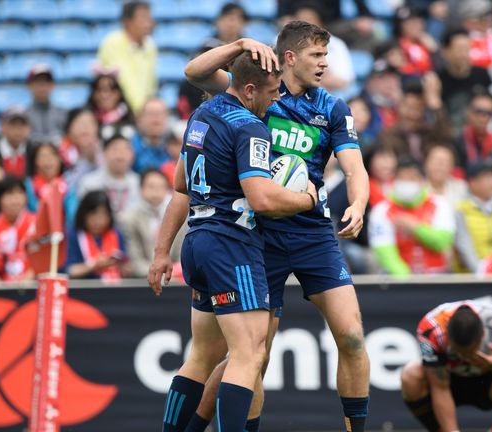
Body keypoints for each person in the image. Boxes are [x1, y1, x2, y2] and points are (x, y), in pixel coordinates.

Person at [170, 24, 371, 431]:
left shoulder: (332, 108)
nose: (326, 63)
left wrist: (360, 203)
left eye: (326, 55)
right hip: (260, 234)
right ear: (291, 57)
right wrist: (241, 44)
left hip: (314, 233)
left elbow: (354, 167)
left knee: (351, 335)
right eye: (318, 55)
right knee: (251, 356)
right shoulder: (261, 89)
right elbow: (194, 72)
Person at [148, 51, 318, 432]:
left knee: (202, 356)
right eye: (273, 92)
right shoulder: (250, 127)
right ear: (250, 88)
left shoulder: (201, 115)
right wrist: (308, 199)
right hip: (232, 246)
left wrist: (162, 252)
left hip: (198, 242)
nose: (278, 99)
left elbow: (180, 183)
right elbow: (261, 199)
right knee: (249, 355)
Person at [400, 300, 492, 432]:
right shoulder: (430, 328)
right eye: (458, 351)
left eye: (470, 351)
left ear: (483, 335)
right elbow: (439, 386)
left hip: (491, 381)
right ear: (448, 337)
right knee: (410, 374)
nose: (464, 357)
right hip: (450, 382)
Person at [368, 156, 455, 275]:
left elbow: (441, 242)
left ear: (423, 180)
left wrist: (415, 227)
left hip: (437, 276)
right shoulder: (381, 210)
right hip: (398, 281)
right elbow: (385, 251)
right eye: (402, 178)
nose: (407, 182)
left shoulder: (440, 204)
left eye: (412, 178)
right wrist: (408, 281)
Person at [120, 169, 182, 278]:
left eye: (160, 187)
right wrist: (158, 275)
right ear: (141, 189)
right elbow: (134, 260)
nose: (155, 192)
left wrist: (173, 273)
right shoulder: (128, 218)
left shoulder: (179, 216)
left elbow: (181, 254)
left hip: (173, 278)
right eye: (151, 186)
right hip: (142, 279)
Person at [97, 0, 157, 112]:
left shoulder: (150, 46)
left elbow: (150, 84)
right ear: (128, 21)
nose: (149, 22)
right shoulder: (112, 42)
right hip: (118, 110)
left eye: (149, 17)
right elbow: (119, 81)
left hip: (143, 112)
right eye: (143, 17)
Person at [454, 162, 492, 273]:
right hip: (471, 278)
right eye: (488, 177)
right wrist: (482, 273)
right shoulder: (461, 210)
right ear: (472, 183)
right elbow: (464, 246)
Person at [437, 27, 492, 135]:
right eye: (459, 49)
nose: (464, 54)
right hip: (450, 133)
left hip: (479, 133)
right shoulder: (438, 80)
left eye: (467, 49)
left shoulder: (482, 74)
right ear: (445, 51)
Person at [0, 176, 36, 281]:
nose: (15, 200)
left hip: (31, 286)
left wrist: (28, 279)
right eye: (9, 195)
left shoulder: (36, 223)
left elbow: (44, 258)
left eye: (20, 194)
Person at [292, 2, 357, 93]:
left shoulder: (335, 44)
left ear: (320, 23)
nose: (303, 24)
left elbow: (345, 81)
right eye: (299, 20)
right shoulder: (281, 40)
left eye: (309, 19)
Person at [378, 79, 448, 162]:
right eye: (408, 107)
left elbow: (445, 136)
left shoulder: (429, 133)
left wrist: (435, 102)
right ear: (400, 106)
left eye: (417, 108)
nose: (412, 114)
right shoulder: (388, 136)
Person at [66, 190, 129, 280]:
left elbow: (125, 262)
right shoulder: (73, 234)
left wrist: (124, 268)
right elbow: (69, 270)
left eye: (103, 215)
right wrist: (94, 265)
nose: (98, 221)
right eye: (93, 215)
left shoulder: (116, 233)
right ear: (83, 214)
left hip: (113, 288)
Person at [77, 134, 140, 214]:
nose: (120, 155)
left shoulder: (139, 183)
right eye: (115, 150)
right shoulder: (89, 183)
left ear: (132, 155)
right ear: (104, 153)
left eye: (125, 150)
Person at [24, 142, 78, 226]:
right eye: (43, 156)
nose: (48, 160)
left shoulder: (69, 185)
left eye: (53, 155)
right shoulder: (28, 185)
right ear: (34, 161)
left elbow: (72, 214)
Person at [453, 91, 492, 173]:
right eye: (479, 111)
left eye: (489, 113)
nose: (484, 117)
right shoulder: (457, 140)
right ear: (469, 113)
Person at [85, 73, 137, 141]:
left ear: (119, 93)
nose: (105, 95)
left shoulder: (131, 118)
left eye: (111, 90)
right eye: (100, 90)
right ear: (93, 95)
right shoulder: (87, 119)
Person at [25, 64, 67, 145]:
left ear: (53, 85)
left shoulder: (63, 114)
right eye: (37, 82)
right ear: (29, 86)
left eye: (46, 82)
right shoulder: (23, 116)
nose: (42, 86)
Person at [61, 108, 103, 188]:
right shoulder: (59, 154)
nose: (85, 127)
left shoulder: (106, 150)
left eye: (90, 123)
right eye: (80, 123)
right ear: (69, 129)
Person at [392, 5, 438, 77]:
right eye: (407, 23)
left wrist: (435, 50)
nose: (413, 26)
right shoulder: (395, 45)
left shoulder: (427, 41)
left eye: (415, 22)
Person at [131, 97, 172, 173]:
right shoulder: (130, 148)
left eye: (160, 113)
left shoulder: (175, 147)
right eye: (150, 113)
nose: (156, 117)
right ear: (139, 119)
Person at [0, 107, 31, 178]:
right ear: (2, 127)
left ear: (29, 128)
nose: (18, 129)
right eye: (13, 124)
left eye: (22, 124)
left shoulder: (33, 151)